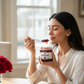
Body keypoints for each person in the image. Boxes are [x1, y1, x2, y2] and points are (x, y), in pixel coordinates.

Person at [24, 12, 84, 84]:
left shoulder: (80, 57)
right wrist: (32, 53)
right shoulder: (51, 51)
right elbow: (33, 79)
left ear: (68, 32)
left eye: (55, 29)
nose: (50, 33)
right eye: (49, 28)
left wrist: (56, 68)